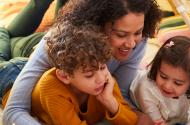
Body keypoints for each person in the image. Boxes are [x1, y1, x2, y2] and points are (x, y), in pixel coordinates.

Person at [2, 0, 162, 124]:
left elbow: (119, 95)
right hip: (22, 59)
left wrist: (137, 117)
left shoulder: (137, 43)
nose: (131, 43)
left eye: (138, 32)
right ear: (98, 25)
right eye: (121, 34)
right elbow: (14, 110)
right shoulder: (57, 41)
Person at [2, 22, 138, 125]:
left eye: (102, 67)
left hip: (36, 69)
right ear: (65, 76)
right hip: (11, 77)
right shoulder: (52, 89)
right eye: (89, 75)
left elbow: (131, 120)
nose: (100, 79)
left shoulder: (105, 81)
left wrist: (110, 101)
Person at [130, 36, 190, 125]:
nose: (167, 86)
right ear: (157, 68)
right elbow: (157, 122)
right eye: (163, 77)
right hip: (137, 91)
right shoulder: (146, 88)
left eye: (177, 83)